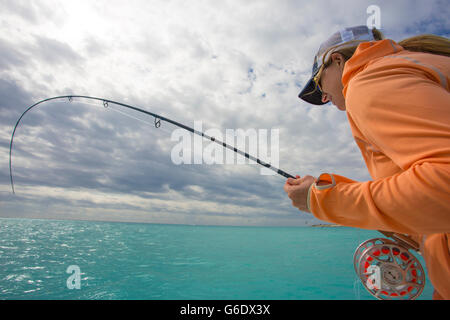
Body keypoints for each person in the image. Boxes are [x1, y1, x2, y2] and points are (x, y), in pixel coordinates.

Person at [283, 25, 450, 299]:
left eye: (319, 83)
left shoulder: (370, 79)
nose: (324, 97)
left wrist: (321, 200)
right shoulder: (419, 65)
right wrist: (419, 229)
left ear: (337, 60)